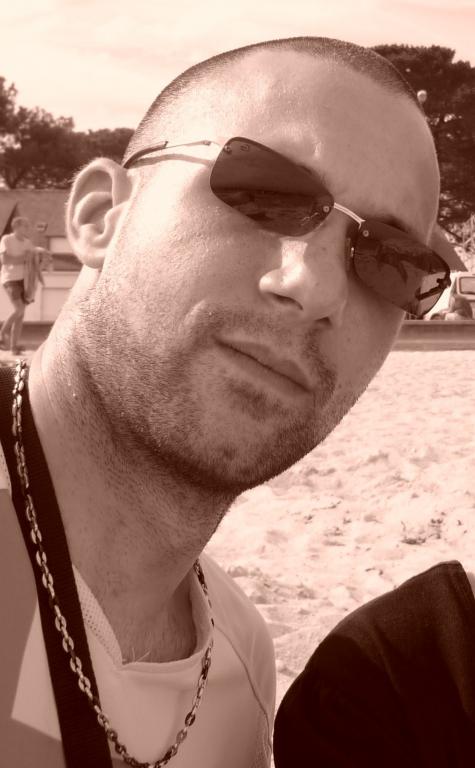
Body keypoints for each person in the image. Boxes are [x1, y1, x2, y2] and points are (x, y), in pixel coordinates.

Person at [0, 36, 466, 767]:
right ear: (99, 217)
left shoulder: (241, 676)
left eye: (389, 260)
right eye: (265, 194)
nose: (315, 288)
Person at [0, 215, 34, 354]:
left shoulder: (28, 242)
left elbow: (32, 259)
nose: (28, 228)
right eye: (25, 226)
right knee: (19, 309)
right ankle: (2, 333)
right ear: (16, 227)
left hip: (24, 281)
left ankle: (14, 348)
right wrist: (24, 258)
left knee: (21, 314)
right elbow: (5, 260)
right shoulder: (6, 239)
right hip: (10, 279)